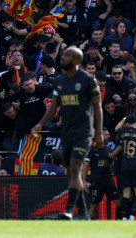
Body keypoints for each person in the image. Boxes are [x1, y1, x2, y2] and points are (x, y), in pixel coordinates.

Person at [31, 46, 103, 220]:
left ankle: (69, 210)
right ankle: (83, 213)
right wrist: (40, 124)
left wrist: (99, 132)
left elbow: (97, 106)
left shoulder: (88, 80)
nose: (63, 59)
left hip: (84, 131)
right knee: (71, 173)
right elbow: (54, 107)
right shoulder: (59, 81)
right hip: (67, 132)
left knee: (76, 168)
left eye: (67, 57)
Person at [111, 116, 136, 220]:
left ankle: (124, 217)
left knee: (126, 193)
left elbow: (116, 128)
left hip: (124, 164)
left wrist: (123, 118)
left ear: (126, 123)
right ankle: (132, 216)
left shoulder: (122, 132)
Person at [83, 128, 120, 219]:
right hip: (96, 182)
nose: (109, 136)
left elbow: (111, 168)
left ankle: (119, 221)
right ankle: (85, 225)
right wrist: (83, 181)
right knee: (94, 205)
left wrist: (114, 166)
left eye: (109, 134)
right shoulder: (91, 150)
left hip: (108, 180)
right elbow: (85, 165)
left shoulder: (109, 150)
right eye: (106, 135)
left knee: (118, 201)